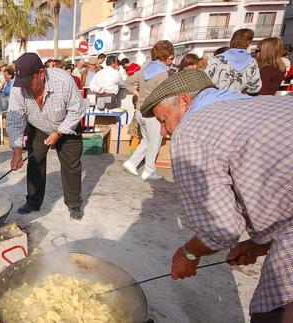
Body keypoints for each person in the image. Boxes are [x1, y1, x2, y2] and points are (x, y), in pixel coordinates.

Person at [140, 69, 293, 323]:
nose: (165, 131)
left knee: (272, 312)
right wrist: (258, 244)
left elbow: (220, 229)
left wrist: (188, 253)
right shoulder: (259, 106)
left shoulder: (192, 131)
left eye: (163, 120)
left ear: (185, 102)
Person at [6, 52, 88, 219]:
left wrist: (58, 133)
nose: (25, 87)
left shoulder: (63, 80)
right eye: (22, 83)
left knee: (71, 166)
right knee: (35, 163)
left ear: (41, 74)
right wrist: (16, 152)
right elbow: (15, 120)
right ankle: (33, 201)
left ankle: (74, 204)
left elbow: (77, 109)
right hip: (38, 127)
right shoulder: (18, 88)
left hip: (67, 126)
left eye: (29, 82)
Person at [123, 40, 174, 180]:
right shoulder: (163, 73)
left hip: (140, 110)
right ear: (166, 56)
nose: (172, 60)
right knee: (154, 142)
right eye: (171, 57)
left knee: (146, 140)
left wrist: (138, 94)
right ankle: (149, 171)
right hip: (153, 113)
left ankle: (131, 163)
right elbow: (164, 96)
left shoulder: (144, 70)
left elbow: (127, 83)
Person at [205, 28, 262, 94]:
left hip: (216, 99)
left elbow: (206, 80)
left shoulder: (218, 59)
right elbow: (255, 87)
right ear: (248, 43)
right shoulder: (252, 62)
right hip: (238, 101)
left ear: (232, 40)